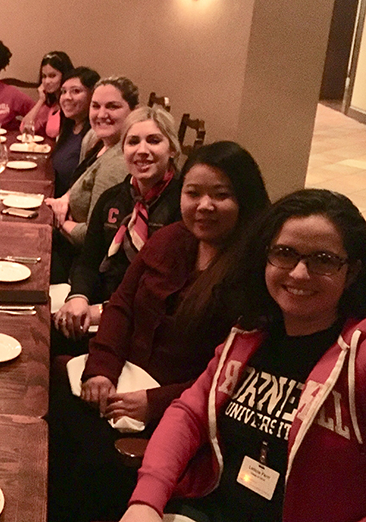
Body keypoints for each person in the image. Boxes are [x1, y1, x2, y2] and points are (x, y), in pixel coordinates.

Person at [48, 141, 270, 522]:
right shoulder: (170, 239)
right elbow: (120, 306)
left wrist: (154, 401)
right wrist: (102, 369)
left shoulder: (253, 275)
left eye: (221, 195)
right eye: (193, 192)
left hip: (175, 412)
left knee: (82, 455)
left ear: (245, 201)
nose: (204, 206)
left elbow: (235, 377)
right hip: (121, 381)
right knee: (47, 407)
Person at [120, 189, 366, 522]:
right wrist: (145, 502)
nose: (298, 273)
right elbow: (188, 413)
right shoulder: (249, 336)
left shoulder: (358, 359)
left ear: (351, 272)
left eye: (323, 260)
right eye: (285, 253)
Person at [52, 104, 183, 345]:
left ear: (173, 149)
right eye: (133, 142)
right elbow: (88, 261)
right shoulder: (113, 198)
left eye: (153, 141)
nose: (142, 151)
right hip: (99, 302)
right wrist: (78, 297)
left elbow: (165, 290)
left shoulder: (183, 205)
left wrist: (103, 312)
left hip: (147, 322)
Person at [48, 77, 141, 265]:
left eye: (112, 107)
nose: (101, 114)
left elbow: (92, 237)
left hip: (76, 261)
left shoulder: (118, 162)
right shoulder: (98, 140)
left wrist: (59, 220)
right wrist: (66, 198)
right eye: (96, 106)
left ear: (134, 111)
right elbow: (81, 179)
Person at [50, 67, 101, 198]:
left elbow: (86, 185)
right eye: (63, 91)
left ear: (93, 95)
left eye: (76, 91)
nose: (67, 97)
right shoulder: (69, 127)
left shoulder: (94, 136)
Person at [19, 51, 74, 138]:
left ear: (64, 76)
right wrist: (41, 100)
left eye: (52, 76)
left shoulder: (70, 105)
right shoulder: (51, 105)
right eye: (44, 76)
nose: (47, 81)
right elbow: (24, 128)